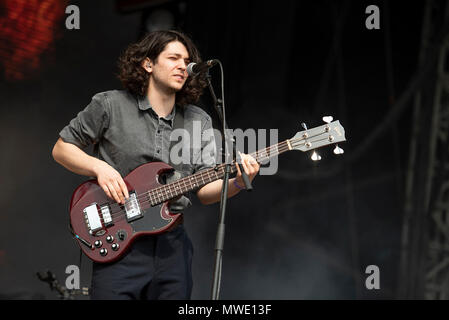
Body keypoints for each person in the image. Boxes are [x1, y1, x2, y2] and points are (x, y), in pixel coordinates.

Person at [51, 30, 260, 300]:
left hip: (172, 249)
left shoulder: (199, 121)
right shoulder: (110, 105)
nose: (182, 66)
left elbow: (206, 191)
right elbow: (61, 148)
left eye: (186, 61)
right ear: (148, 64)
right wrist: (99, 168)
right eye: (173, 58)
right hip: (118, 245)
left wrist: (238, 182)